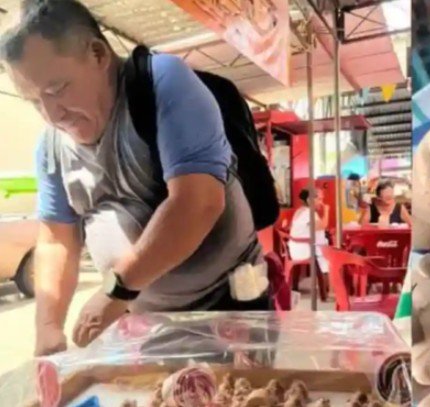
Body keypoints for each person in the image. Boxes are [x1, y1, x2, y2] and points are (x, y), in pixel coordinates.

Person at [0, 0, 268, 356]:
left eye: (57, 89)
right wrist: (48, 328)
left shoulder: (161, 82)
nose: (51, 114)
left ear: (98, 54)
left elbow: (198, 201)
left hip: (231, 308)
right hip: (145, 319)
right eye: (34, 101)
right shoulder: (50, 147)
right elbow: (56, 239)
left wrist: (117, 289)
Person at [288, 188, 330, 273]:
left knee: (322, 246)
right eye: (319, 199)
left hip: (295, 250)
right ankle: (327, 277)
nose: (322, 203)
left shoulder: (300, 210)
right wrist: (326, 211)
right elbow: (323, 226)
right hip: (303, 251)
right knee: (328, 253)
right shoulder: (309, 212)